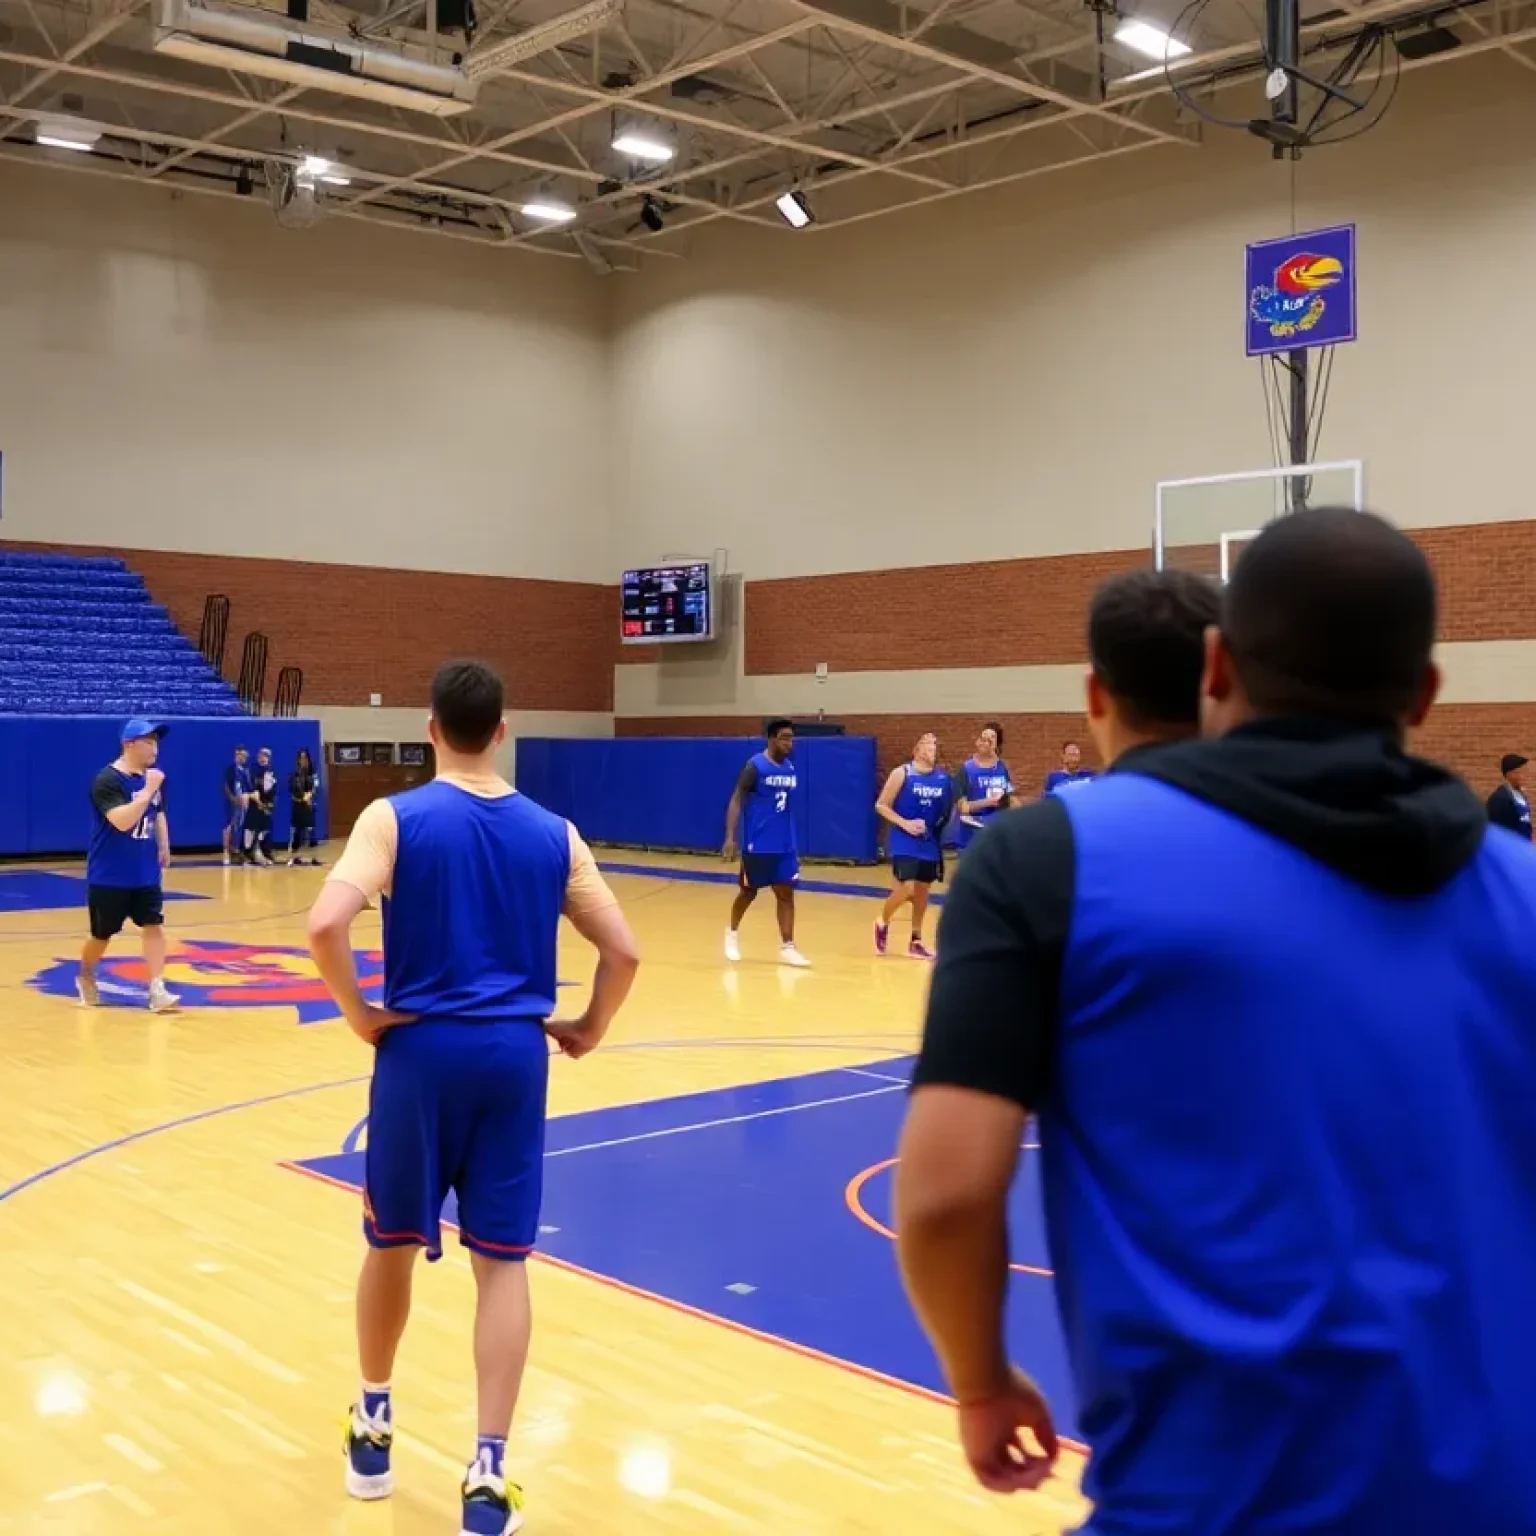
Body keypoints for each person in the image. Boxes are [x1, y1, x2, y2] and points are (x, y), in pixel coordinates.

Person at [896, 512, 1536, 1532]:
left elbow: (942, 1196)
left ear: (1217, 666)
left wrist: (979, 1382)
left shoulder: (1053, 859)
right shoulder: (1525, 891)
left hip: (1210, 1502)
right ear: (1423, 694)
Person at [307, 659, 640, 1535]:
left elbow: (324, 923)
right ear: (502, 729)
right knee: (503, 1262)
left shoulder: (394, 817)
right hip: (512, 1058)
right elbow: (626, 952)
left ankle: (374, 1427)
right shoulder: (554, 833)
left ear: (430, 729)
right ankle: (488, 1476)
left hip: (417, 1050)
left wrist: (358, 1012)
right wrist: (589, 1028)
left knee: (390, 1242)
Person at [79, 718, 180, 1013]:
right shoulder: (107, 780)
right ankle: (85, 972)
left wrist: (163, 843)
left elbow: (158, 812)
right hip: (110, 875)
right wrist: (148, 791)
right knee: (102, 935)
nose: (154, 747)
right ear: (129, 745)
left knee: (154, 926)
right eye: (148, 741)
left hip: (144, 871)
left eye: (156, 741)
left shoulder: (152, 779)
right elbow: (122, 821)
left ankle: (157, 987)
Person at [722, 718, 810, 967]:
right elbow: (737, 799)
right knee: (748, 892)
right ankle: (731, 933)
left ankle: (788, 946)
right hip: (758, 843)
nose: (789, 743)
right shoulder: (755, 766)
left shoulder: (790, 768)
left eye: (791, 738)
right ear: (771, 739)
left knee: (786, 894)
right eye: (784, 738)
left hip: (784, 844)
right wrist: (730, 837)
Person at [874, 730, 952, 959]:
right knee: (905, 887)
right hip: (904, 839)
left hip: (928, 840)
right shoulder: (902, 773)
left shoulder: (942, 778)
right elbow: (881, 805)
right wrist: (905, 823)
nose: (932, 748)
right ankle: (882, 921)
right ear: (916, 750)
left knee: (922, 892)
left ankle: (915, 940)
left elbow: (945, 810)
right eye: (927, 744)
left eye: (934, 744)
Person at [952, 723, 1014, 850]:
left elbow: (1009, 799)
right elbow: (963, 807)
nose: (987, 741)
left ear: (996, 744)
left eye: (991, 738)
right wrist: (989, 802)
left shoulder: (1002, 768)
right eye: (983, 737)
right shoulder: (966, 769)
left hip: (996, 833)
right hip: (972, 834)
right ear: (977, 742)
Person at [287, 747, 322, 865]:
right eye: (301, 758)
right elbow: (291, 788)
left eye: (305, 758)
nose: (303, 760)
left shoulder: (313, 774)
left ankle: (310, 857)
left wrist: (310, 795)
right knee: (296, 831)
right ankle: (293, 857)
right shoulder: (294, 774)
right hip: (297, 806)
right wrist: (303, 797)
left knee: (309, 831)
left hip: (309, 806)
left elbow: (316, 787)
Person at [244, 746, 278, 865]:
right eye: (261, 755)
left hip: (266, 806)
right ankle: (248, 853)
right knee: (251, 829)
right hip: (254, 805)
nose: (263, 758)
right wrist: (256, 800)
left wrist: (268, 804)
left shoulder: (271, 772)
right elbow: (250, 787)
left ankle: (266, 852)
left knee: (265, 830)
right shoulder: (252, 770)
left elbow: (272, 791)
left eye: (265, 756)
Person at [1486, 751, 1531, 839]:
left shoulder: (1521, 796)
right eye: (1519, 772)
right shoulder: (1499, 799)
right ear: (1509, 774)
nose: (1524, 776)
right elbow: (1494, 828)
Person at [223, 744, 251, 866]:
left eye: (245, 756)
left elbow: (248, 787)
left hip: (244, 804)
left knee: (241, 826)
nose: (244, 758)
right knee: (231, 826)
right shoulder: (231, 769)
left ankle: (238, 851)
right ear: (237, 754)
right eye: (242, 755)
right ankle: (227, 851)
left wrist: (248, 797)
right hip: (233, 803)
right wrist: (233, 799)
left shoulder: (246, 771)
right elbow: (226, 786)